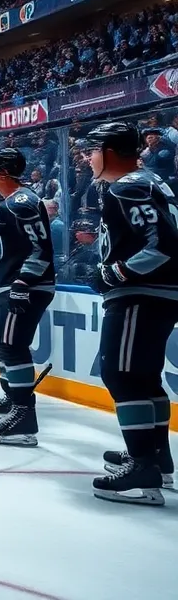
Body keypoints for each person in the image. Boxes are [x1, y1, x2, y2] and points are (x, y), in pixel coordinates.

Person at [83, 122, 178, 504]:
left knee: (121, 374)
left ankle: (143, 466)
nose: (87, 159)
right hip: (156, 293)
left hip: (142, 293)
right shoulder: (146, 182)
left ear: (110, 151)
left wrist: (115, 271)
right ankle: (157, 457)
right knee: (143, 376)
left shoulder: (130, 185)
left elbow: (165, 244)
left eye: (92, 151)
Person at [0, 147, 54, 447]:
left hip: (24, 286)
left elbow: (40, 248)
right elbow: (11, 251)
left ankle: (23, 418)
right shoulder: (4, 204)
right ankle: (13, 401)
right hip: (8, 284)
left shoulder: (22, 201)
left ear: (2, 172)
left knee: (12, 347)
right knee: (3, 345)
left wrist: (23, 281)